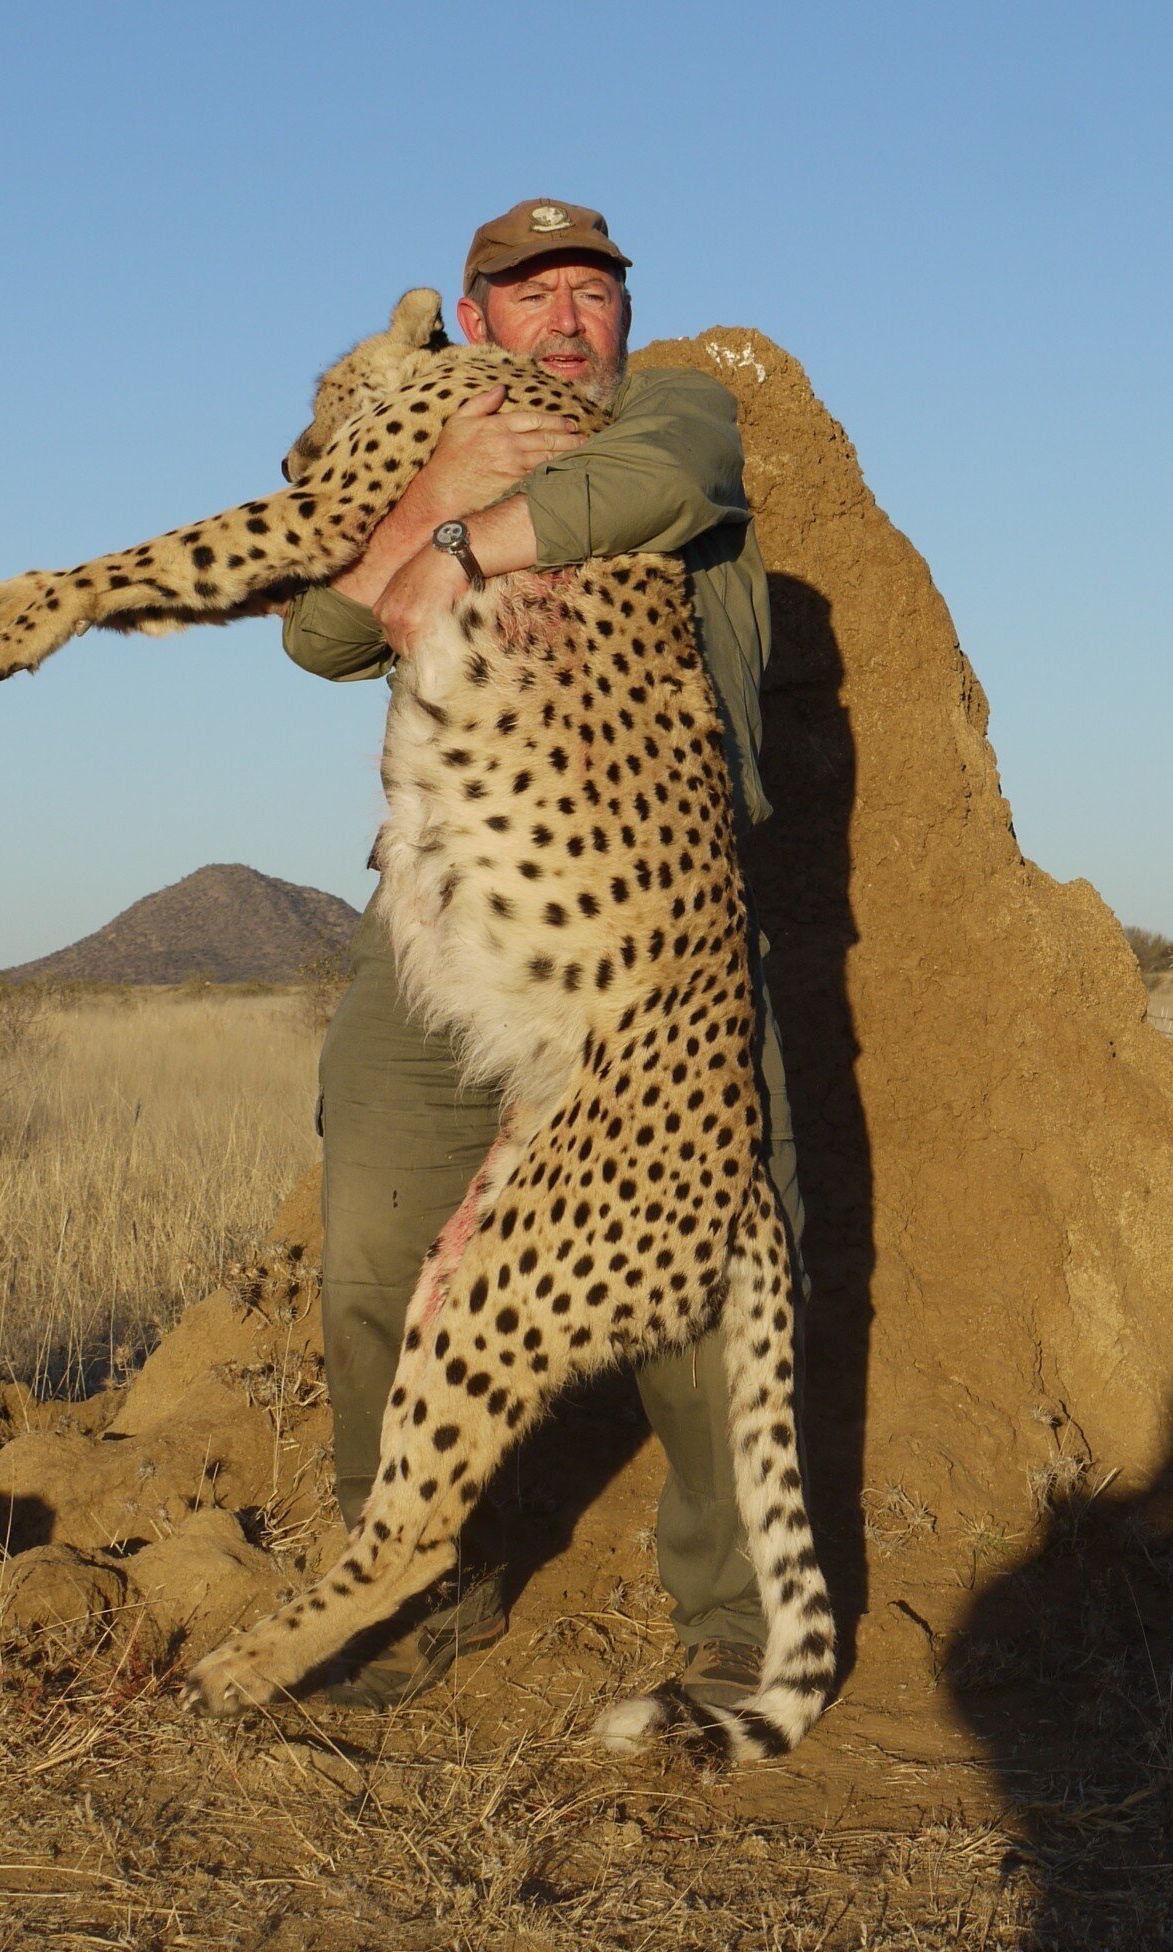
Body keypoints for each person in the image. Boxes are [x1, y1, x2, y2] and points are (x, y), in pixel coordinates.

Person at [280, 200, 805, 1711]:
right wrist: (434, 490)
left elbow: (664, 479)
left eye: (594, 292)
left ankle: (735, 1622)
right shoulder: (439, 434)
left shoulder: (671, 404)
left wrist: (451, 541)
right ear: (473, 314)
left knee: (699, 1274)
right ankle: (425, 1581)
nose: (569, 317)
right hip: (463, 911)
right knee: (379, 1254)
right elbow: (319, 636)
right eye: (534, 294)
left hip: (648, 915)